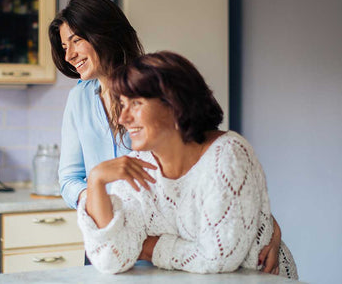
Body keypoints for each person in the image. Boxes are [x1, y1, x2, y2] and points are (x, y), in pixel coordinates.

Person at [49, 0, 283, 273]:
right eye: (64, 46)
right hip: (113, 236)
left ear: (104, 34)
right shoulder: (79, 99)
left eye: (76, 41)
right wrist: (102, 201)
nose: (69, 55)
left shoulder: (155, 83)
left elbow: (211, 168)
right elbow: (69, 179)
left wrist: (266, 226)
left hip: (179, 242)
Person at [77, 51, 298, 278]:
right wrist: (96, 181)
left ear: (174, 104)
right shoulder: (139, 166)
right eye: (122, 104)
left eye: (136, 103)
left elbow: (219, 257)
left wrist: (149, 247)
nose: (123, 118)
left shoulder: (228, 154)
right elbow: (112, 258)